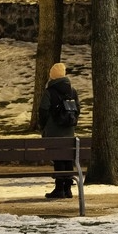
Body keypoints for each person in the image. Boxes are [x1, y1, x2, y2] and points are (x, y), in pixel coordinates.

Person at [39, 62, 80, 199]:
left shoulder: (49, 92)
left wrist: (44, 126)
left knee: (58, 160)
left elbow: (43, 111)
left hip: (53, 131)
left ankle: (59, 188)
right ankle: (68, 189)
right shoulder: (72, 91)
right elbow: (78, 109)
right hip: (69, 132)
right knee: (68, 159)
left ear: (52, 76)